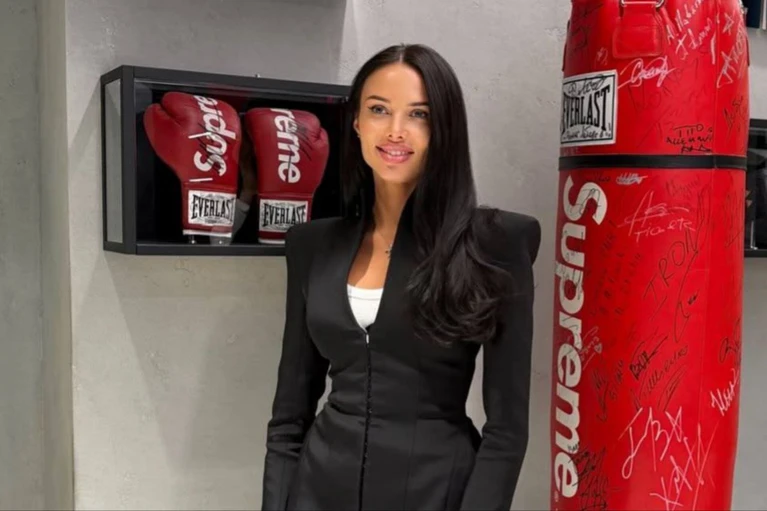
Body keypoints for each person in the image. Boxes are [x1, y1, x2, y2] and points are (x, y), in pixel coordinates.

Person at [261, 43, 541, 511]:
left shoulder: (496, 243)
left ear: (444, 128)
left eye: (418, 114)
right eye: (378, 109)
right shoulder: (312, 246)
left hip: (436, 489)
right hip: (318, 489)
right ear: (356, 121)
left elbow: (507, 433)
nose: (395, 130)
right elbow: (289, 418)